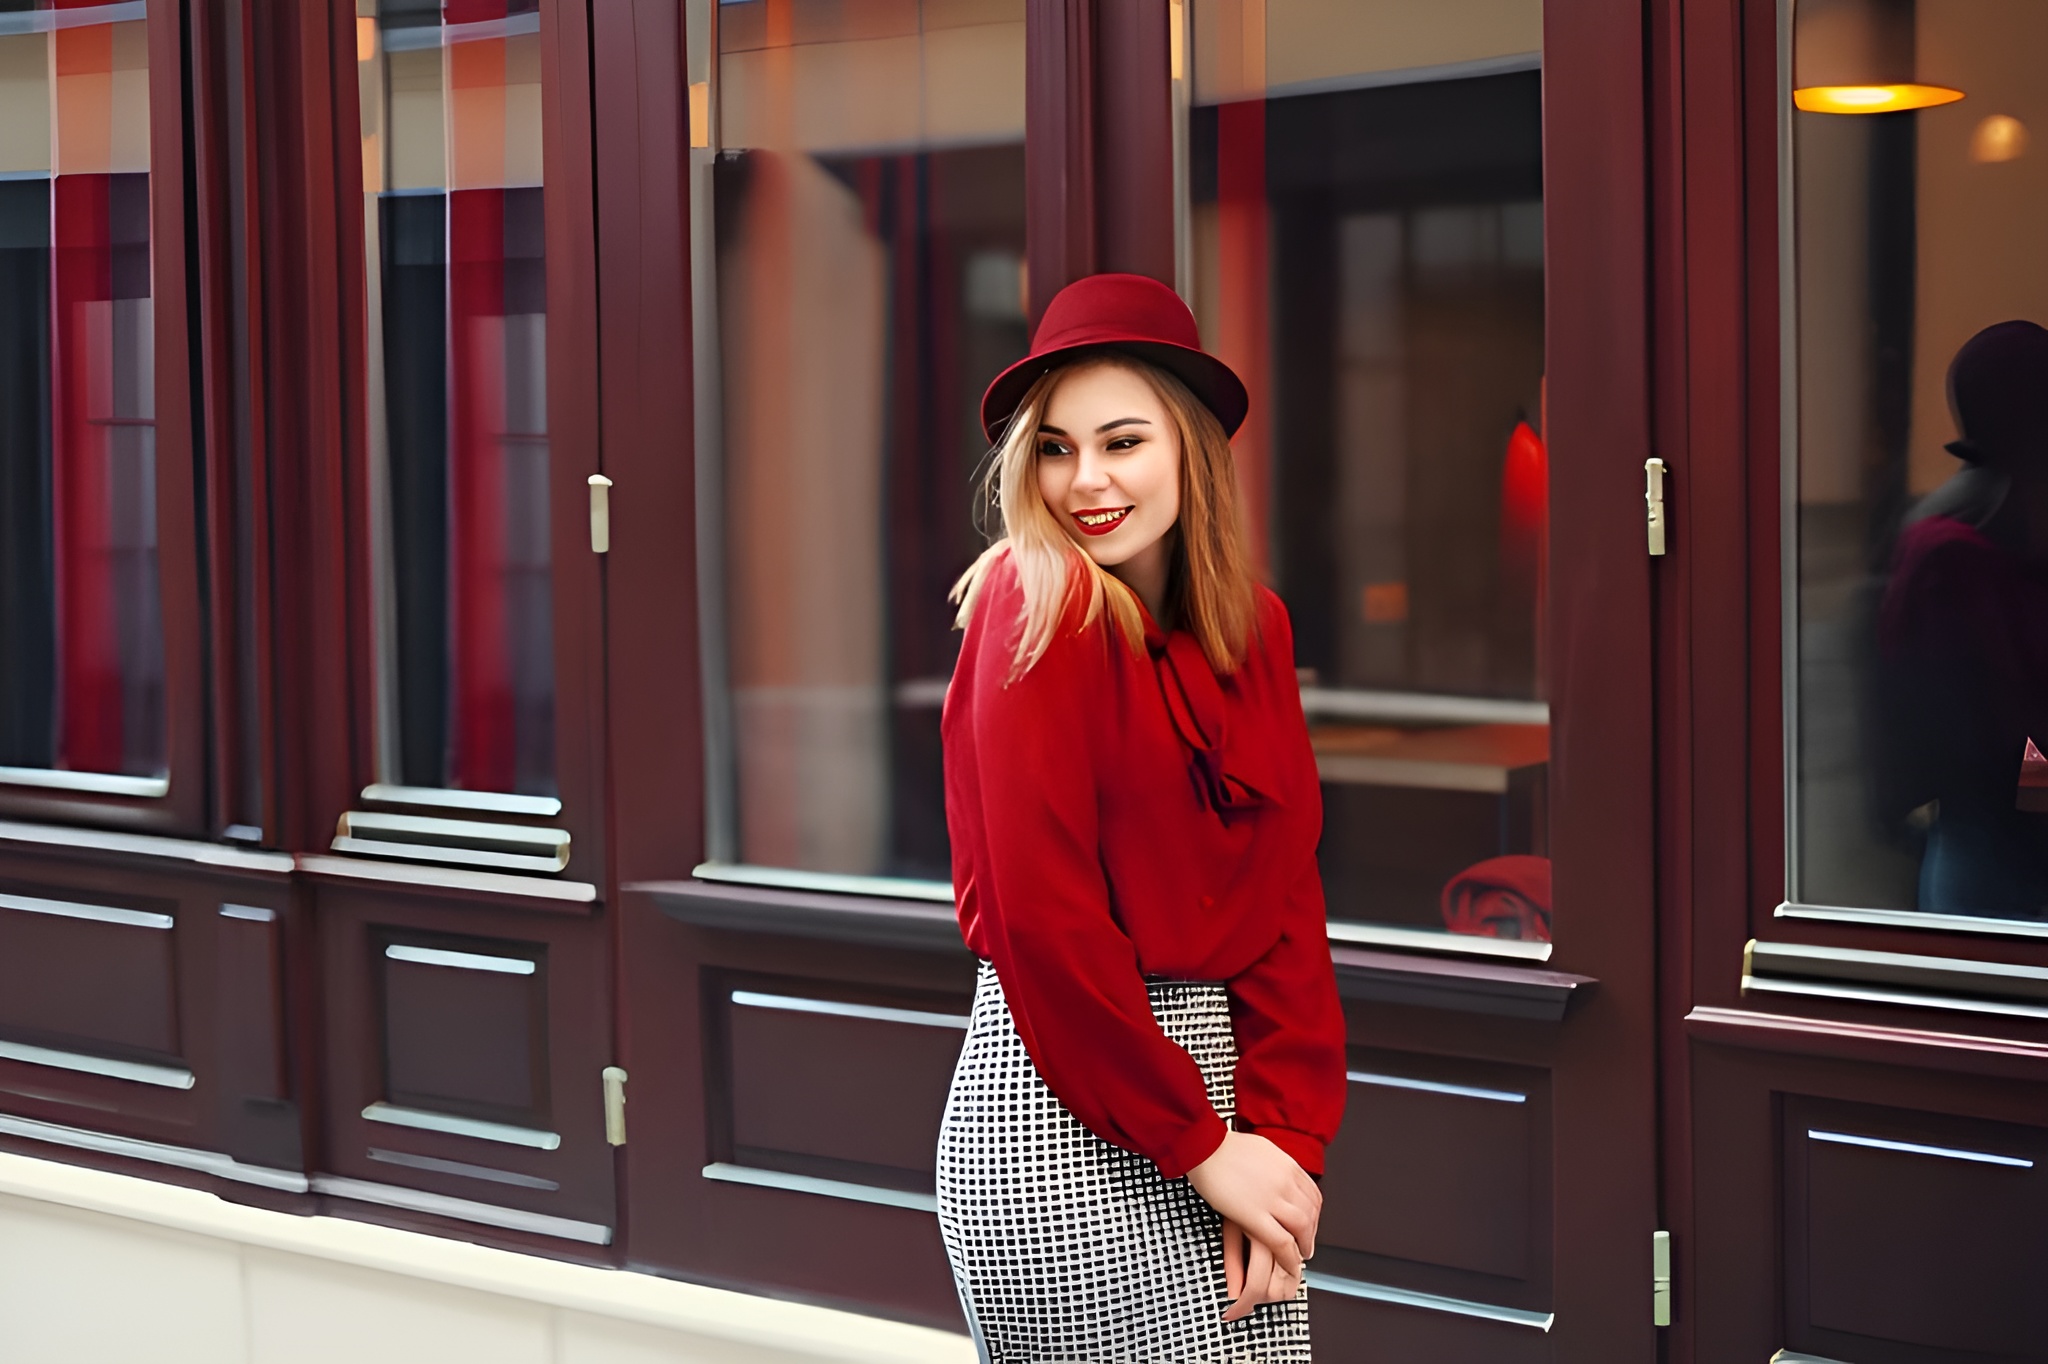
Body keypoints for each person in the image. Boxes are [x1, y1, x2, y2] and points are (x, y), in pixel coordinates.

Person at [936, 273, 1347, 1363]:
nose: (1087, 481)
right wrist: (1203, 1146)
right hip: (1056, 1105)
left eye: (1121, 441)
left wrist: (1284, 1137)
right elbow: (1045, 922)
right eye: (1057, 449)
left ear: (1190, 446)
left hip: (1223, 1106)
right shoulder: (1037, 604)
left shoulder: (1252, 627)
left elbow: (1284, 898)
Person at [1876, 320, 2048, 917]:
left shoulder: (1971, 530)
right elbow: (1997, 737)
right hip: (1996, 854)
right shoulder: (1956, 553)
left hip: (1989, 842)